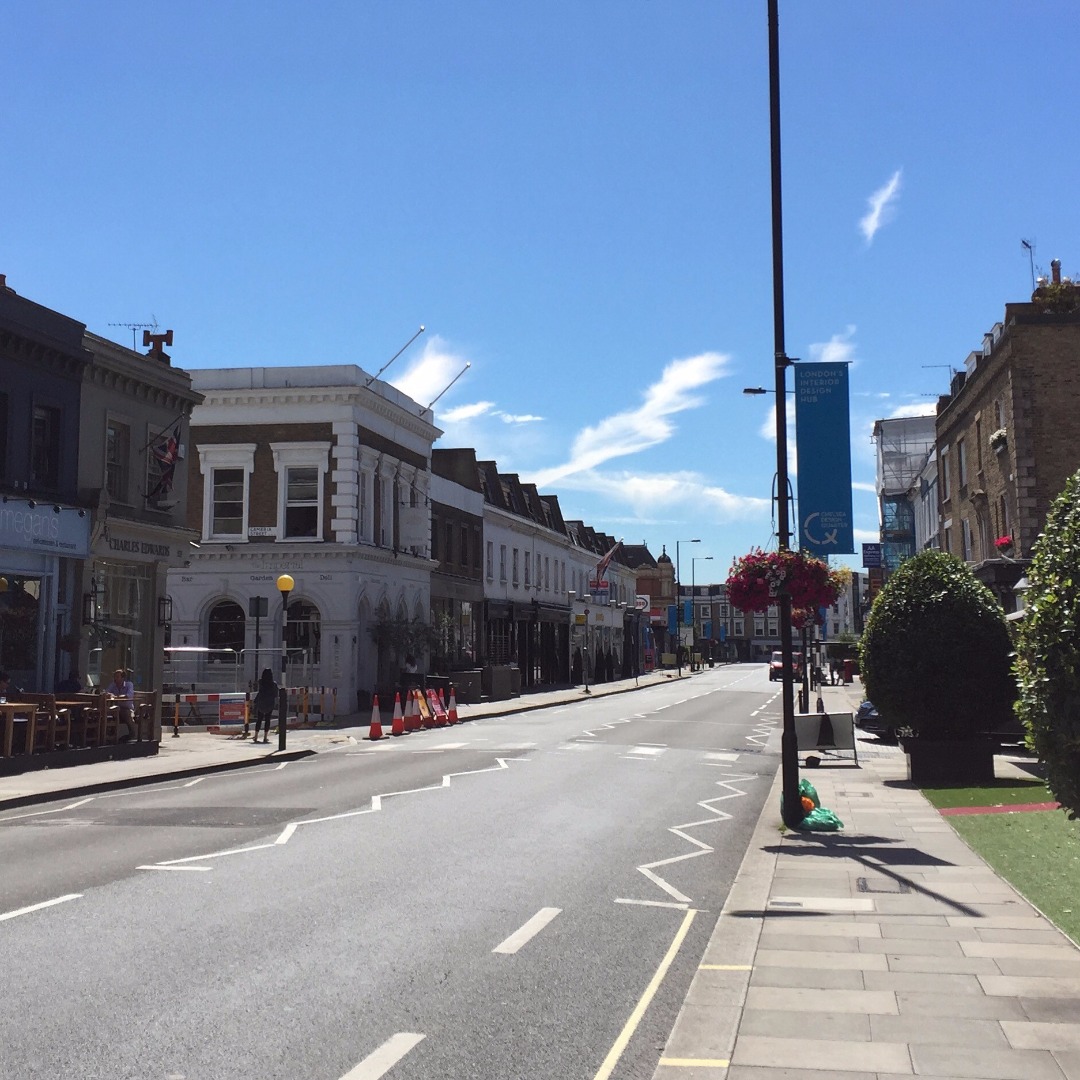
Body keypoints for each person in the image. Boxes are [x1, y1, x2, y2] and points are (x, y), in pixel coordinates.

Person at [105, 667, 136, 742]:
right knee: (105, 712)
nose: (115, 678)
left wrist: (116, 697)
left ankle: (132, 733)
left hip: (127, 708)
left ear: (123, 678)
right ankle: (109, 735)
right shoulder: (113, 685)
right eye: (114, 676)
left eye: (117, 677)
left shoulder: (129, 685)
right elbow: (106, 692)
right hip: (115, 708)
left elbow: (128, 695)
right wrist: (109, 694)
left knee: (126, 713)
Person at [252, 668, 278, 744]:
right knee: (267, 719)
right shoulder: (273, 684)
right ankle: (265, 737)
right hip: (269, 703)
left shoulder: (261, 682)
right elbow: (276, 694)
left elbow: (259, 691)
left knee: (259, 719)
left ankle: (256, 736)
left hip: (261, 702)